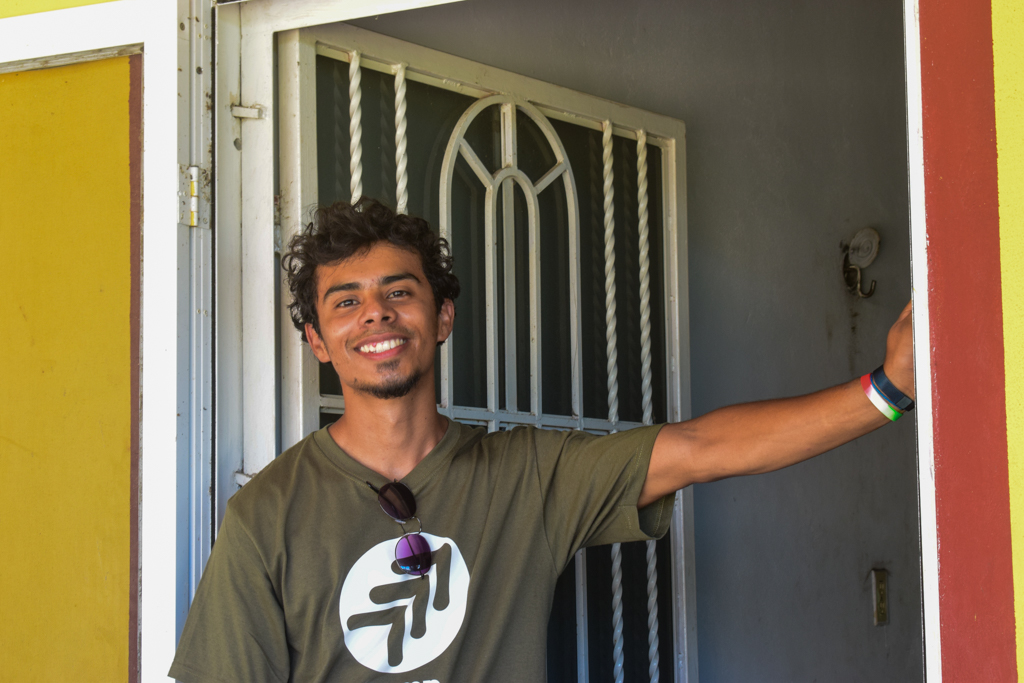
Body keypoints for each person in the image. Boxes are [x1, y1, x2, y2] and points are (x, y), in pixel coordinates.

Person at [169, 198, 915, 683]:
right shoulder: (267, 515)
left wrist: (889, 386)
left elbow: (700, 448)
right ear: (317, 340)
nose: (377, 315)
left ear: (442, 315)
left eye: (399, 291)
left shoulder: (526, 475)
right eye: (346, 302)